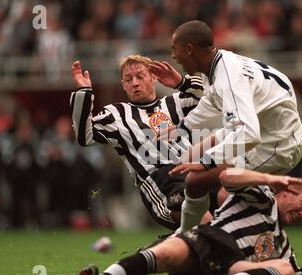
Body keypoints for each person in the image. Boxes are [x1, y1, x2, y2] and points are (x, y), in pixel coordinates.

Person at [69, 168, 302, 275]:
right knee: (161, 254)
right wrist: (268, 178)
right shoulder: (263, 197)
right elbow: (227, 177)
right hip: (210, 241)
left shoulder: (282, 242)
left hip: (232, 267)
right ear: (288, 191)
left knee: (286, 266)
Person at [150, 20, 302, 232]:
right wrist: (183, 127)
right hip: (264, 127)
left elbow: (249, 134)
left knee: (205, 182)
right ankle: (190, 237)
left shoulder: (229, 78)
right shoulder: (219, 64)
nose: (173, 56)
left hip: (278, 144)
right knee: (187, 159)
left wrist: (207, 161)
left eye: (173, 49)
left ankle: (269, 220)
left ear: (189, 49)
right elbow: (211, 100)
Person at [70, 55, 205, 230]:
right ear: (123, 85)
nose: (134, 83)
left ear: (153, 78)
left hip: (194, 171)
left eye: (140, 77)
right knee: (208, 224)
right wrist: (83, 93)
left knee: (229, 196)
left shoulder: (176, 102)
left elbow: (213, 97)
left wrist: (182, 82)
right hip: (161, 184)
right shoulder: (116, 114)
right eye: (128, 79)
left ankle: (172, 246)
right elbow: (85, 137)